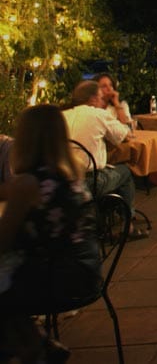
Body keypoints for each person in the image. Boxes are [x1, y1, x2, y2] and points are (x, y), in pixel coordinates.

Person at [0, 105, 102, 362]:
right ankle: (37, 344)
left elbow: (3, 241)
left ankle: (31, 347)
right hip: (87, 271)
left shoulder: (28, 183)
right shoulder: (70, 176)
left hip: (56, 279)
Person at [63, 81, 147, 239]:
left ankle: (102, 219)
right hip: (89, 181)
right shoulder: (97, 114)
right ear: (93, 98)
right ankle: (126, 226)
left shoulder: (63, 115)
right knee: (125, 172)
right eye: (101, 97)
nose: (102, 101)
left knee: (112, 170)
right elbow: (125, 133)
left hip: (64, 181)